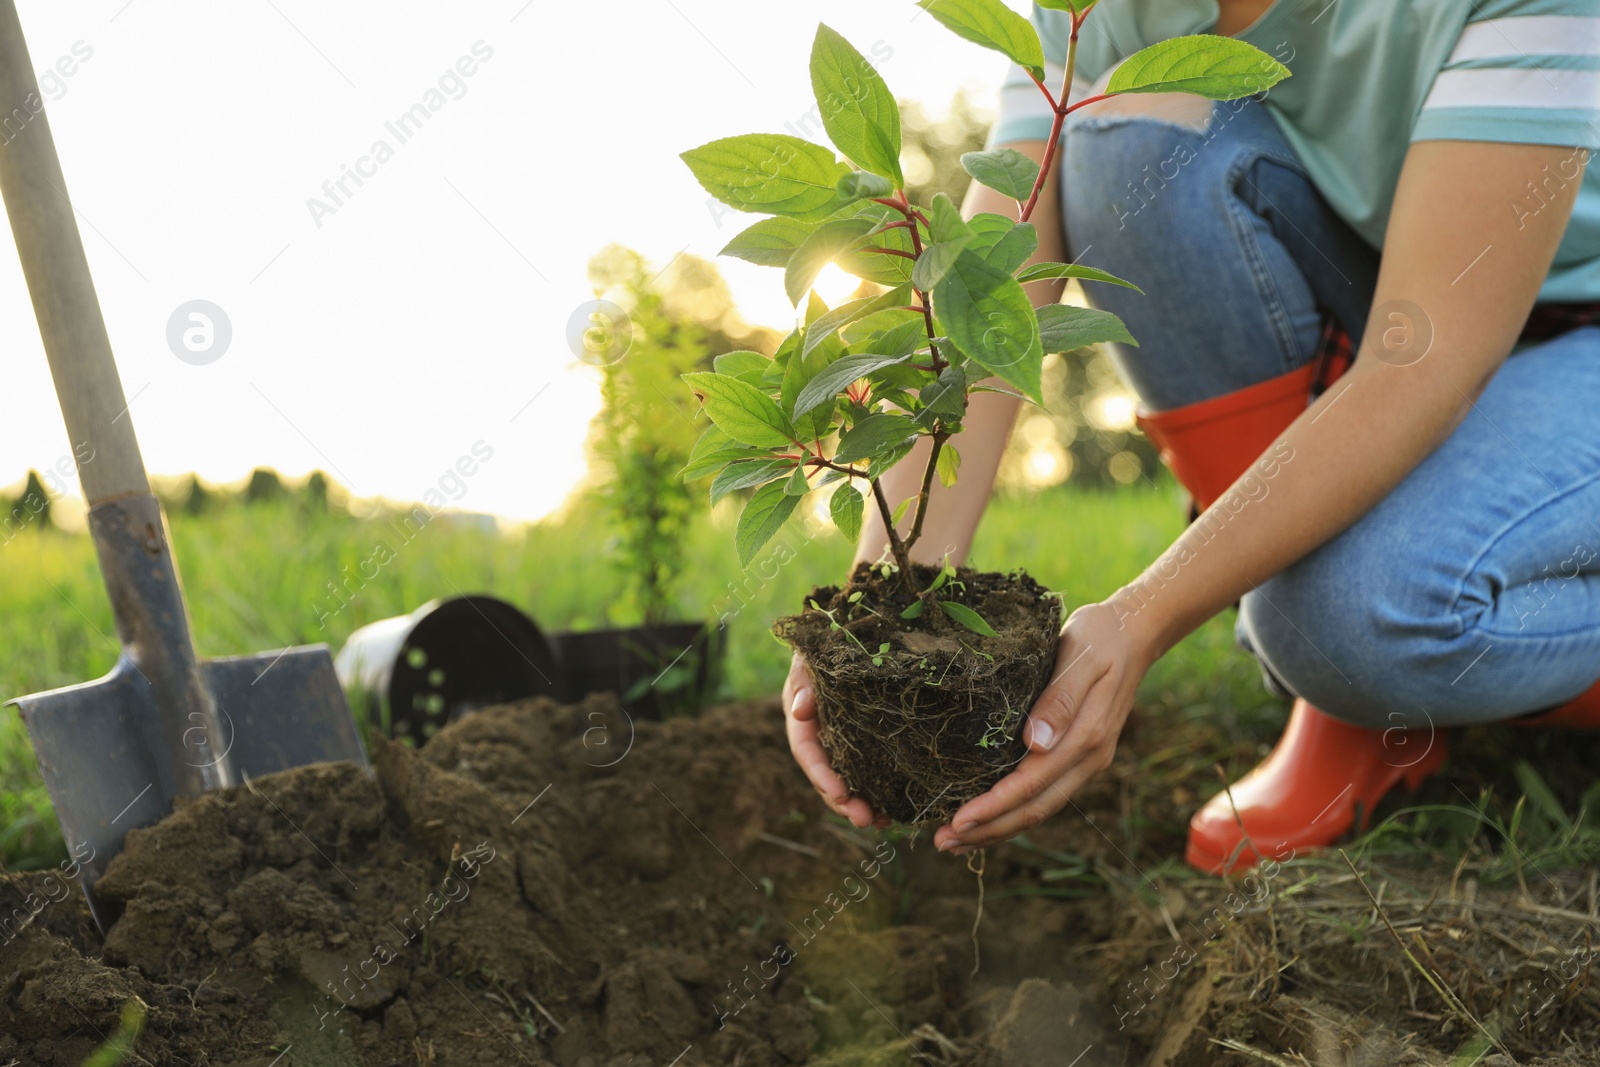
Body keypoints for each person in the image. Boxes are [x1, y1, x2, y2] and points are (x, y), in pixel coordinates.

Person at [783, 0, 1600, 872]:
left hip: (1551, 324)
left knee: (1346, 618)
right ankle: (1344, 700)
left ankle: (1363, 675)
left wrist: (1142, 617)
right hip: (1400, 290)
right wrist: (876, 604)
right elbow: (993, 294)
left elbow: (1425, 359)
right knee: (1123, 140)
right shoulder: (1098, 10)